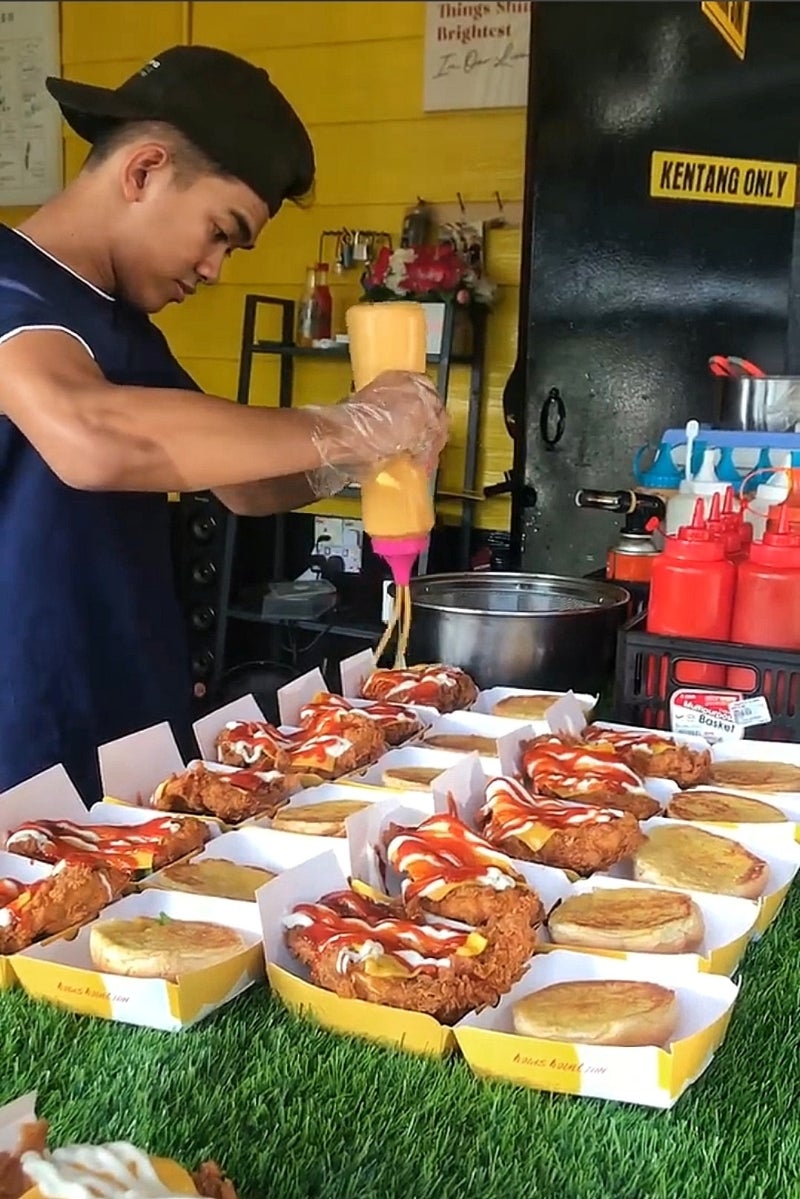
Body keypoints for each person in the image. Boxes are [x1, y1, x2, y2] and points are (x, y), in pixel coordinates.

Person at [0, 45, 447, 805]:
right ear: (143, 171)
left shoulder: (124, 328)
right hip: (22, 743)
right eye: (220, 230)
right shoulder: (13, 289)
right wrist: (345, 425)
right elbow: (93, 438)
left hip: (125, 731)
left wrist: (361, 456)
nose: (214, 270)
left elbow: (240, 481)